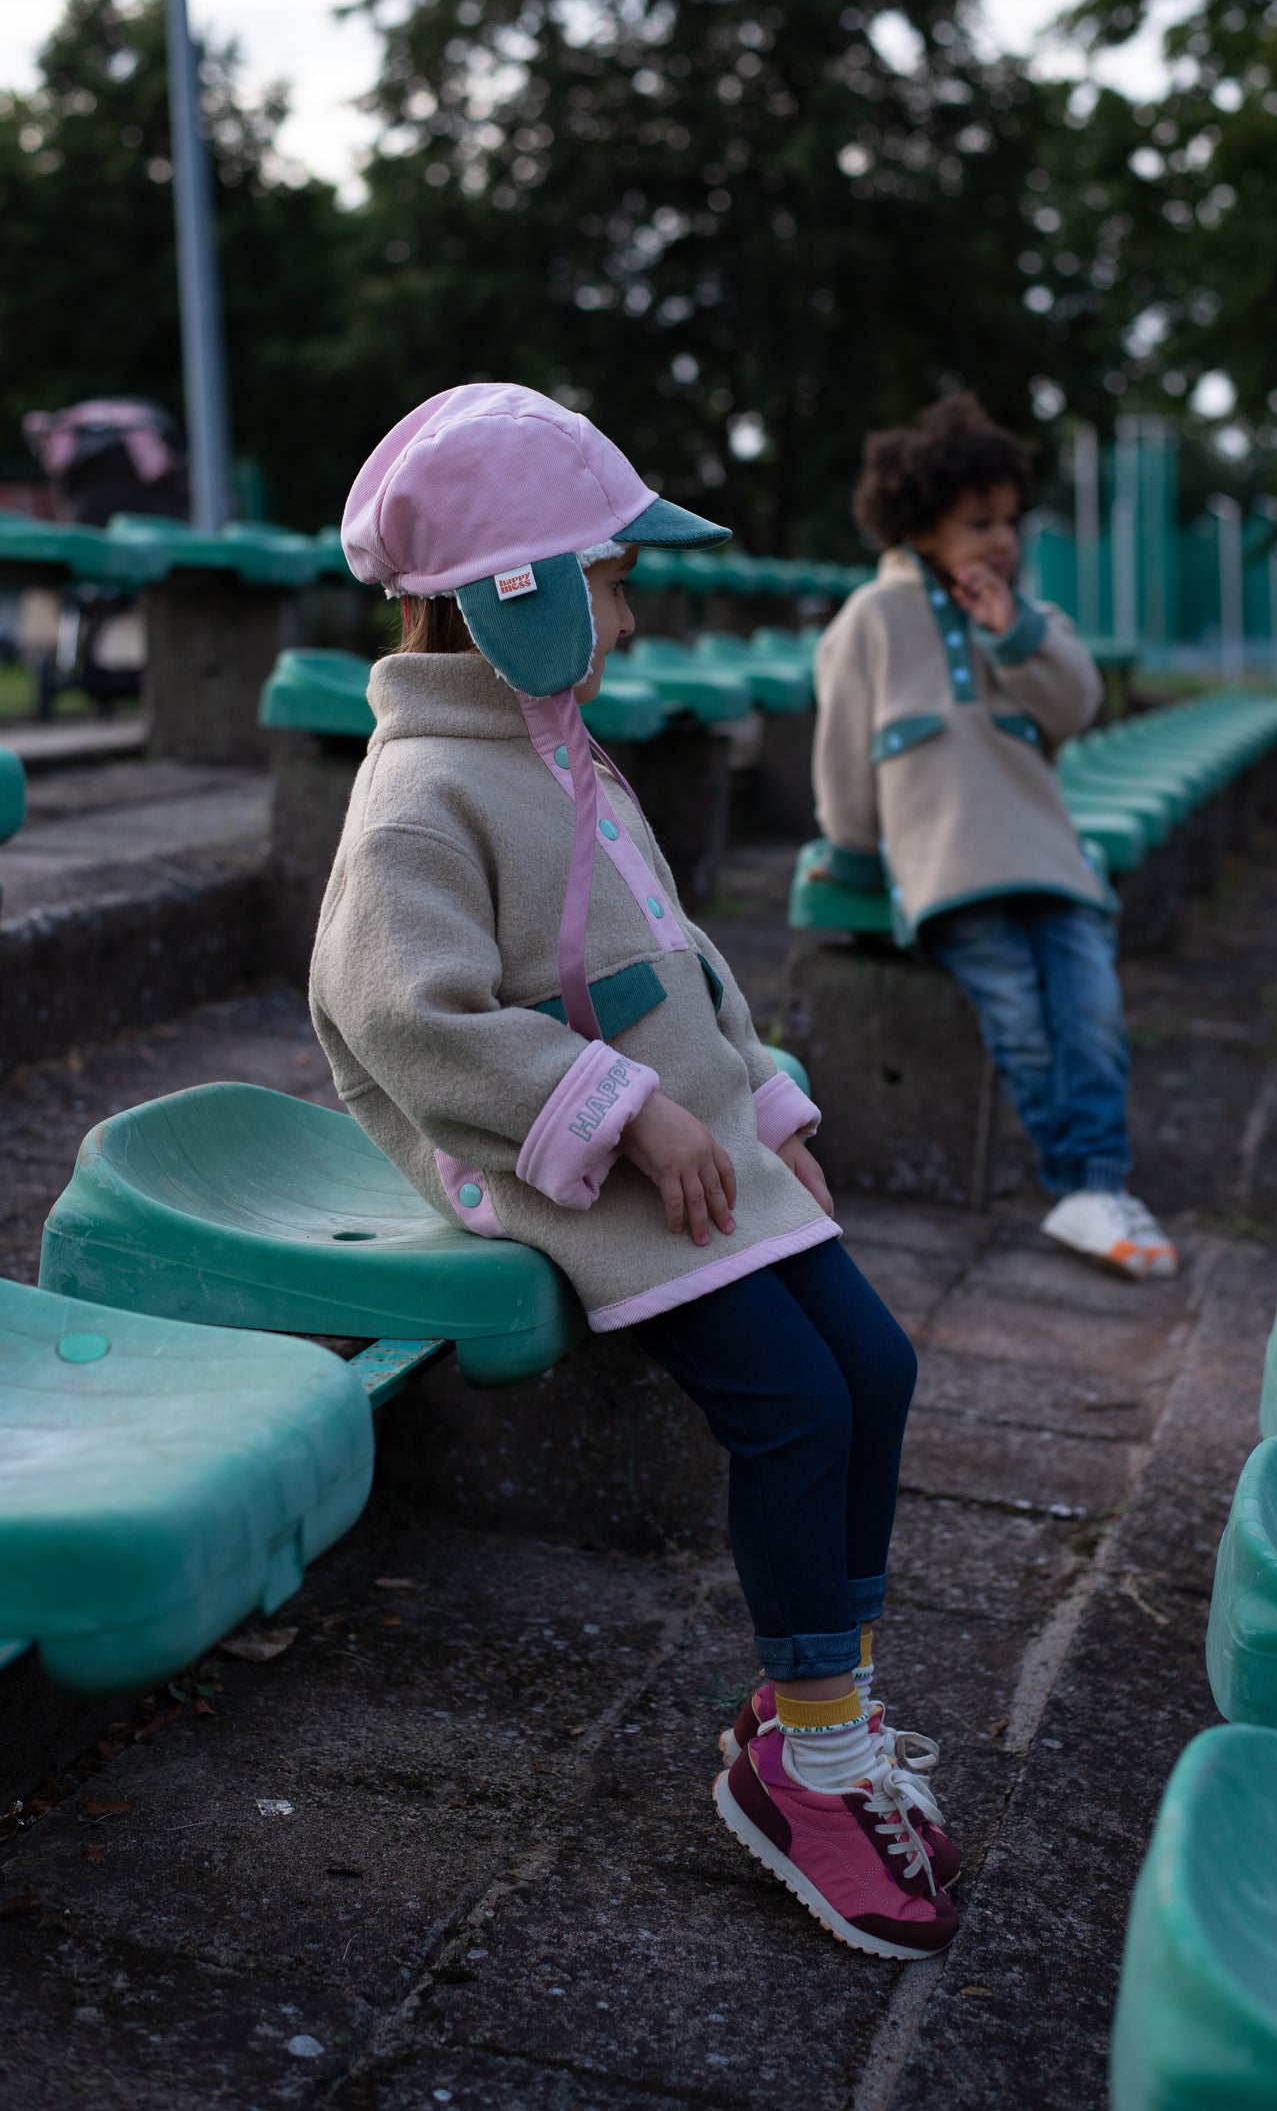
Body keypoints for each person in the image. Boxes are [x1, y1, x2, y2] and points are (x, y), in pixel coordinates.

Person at [310, 384, 959, 1960]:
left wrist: (756, 1090)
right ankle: (807, 1769)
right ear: (512, 596)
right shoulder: (421, 792)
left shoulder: (565, 755)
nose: (633, 612)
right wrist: (622, 1111)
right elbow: (393, 1011)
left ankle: (822, 1710)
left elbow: (676, 955)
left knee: (871, 1365)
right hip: (564, 1161)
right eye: (609, 580)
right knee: (793, 1406)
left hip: (692, 1139)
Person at [811, 392, 1176, 1280]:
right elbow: (842, 752)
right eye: (980, 522)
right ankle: (1080, 1185)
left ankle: (1096, 1182)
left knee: (1091, 1012)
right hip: (952, 869)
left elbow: (1076, 704)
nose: (1003, 540)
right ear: (921, 525)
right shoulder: (872, 618)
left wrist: (1012, 633)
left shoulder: (1027, 617)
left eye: (1010, 521)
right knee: (1018, 1016)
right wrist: (854, 854)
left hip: (1050, 860)